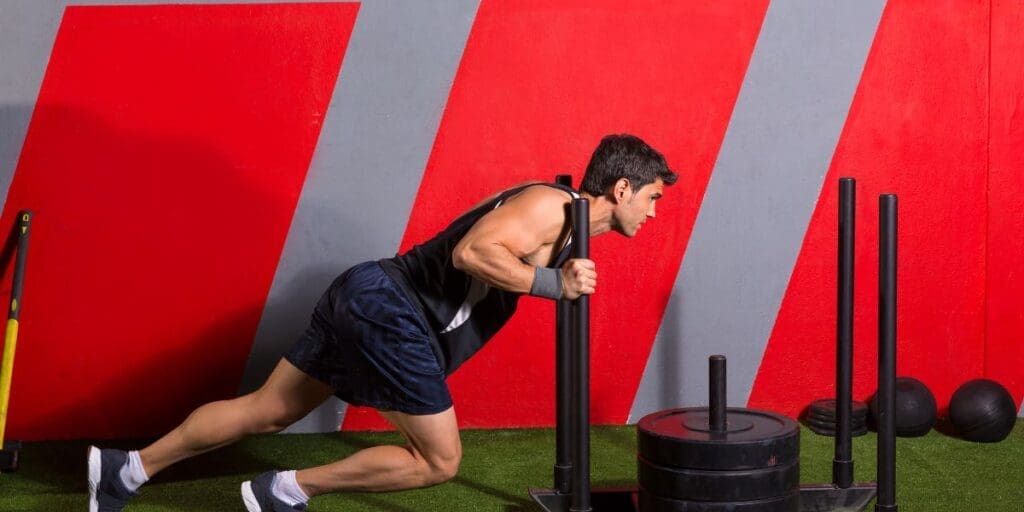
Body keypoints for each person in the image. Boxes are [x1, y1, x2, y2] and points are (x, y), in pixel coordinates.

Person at [87, 133, 677, 512]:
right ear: (621, 188)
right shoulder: (550, 205)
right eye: (650, 198)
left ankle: (126, 470)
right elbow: (471, 253)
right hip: (394, 311)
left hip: (367, 293)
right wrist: (554, 284)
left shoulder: (566, 221)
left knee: (266, 409)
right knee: (440, 462)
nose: (652, 213)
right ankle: (286, 490)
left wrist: (561, 273)